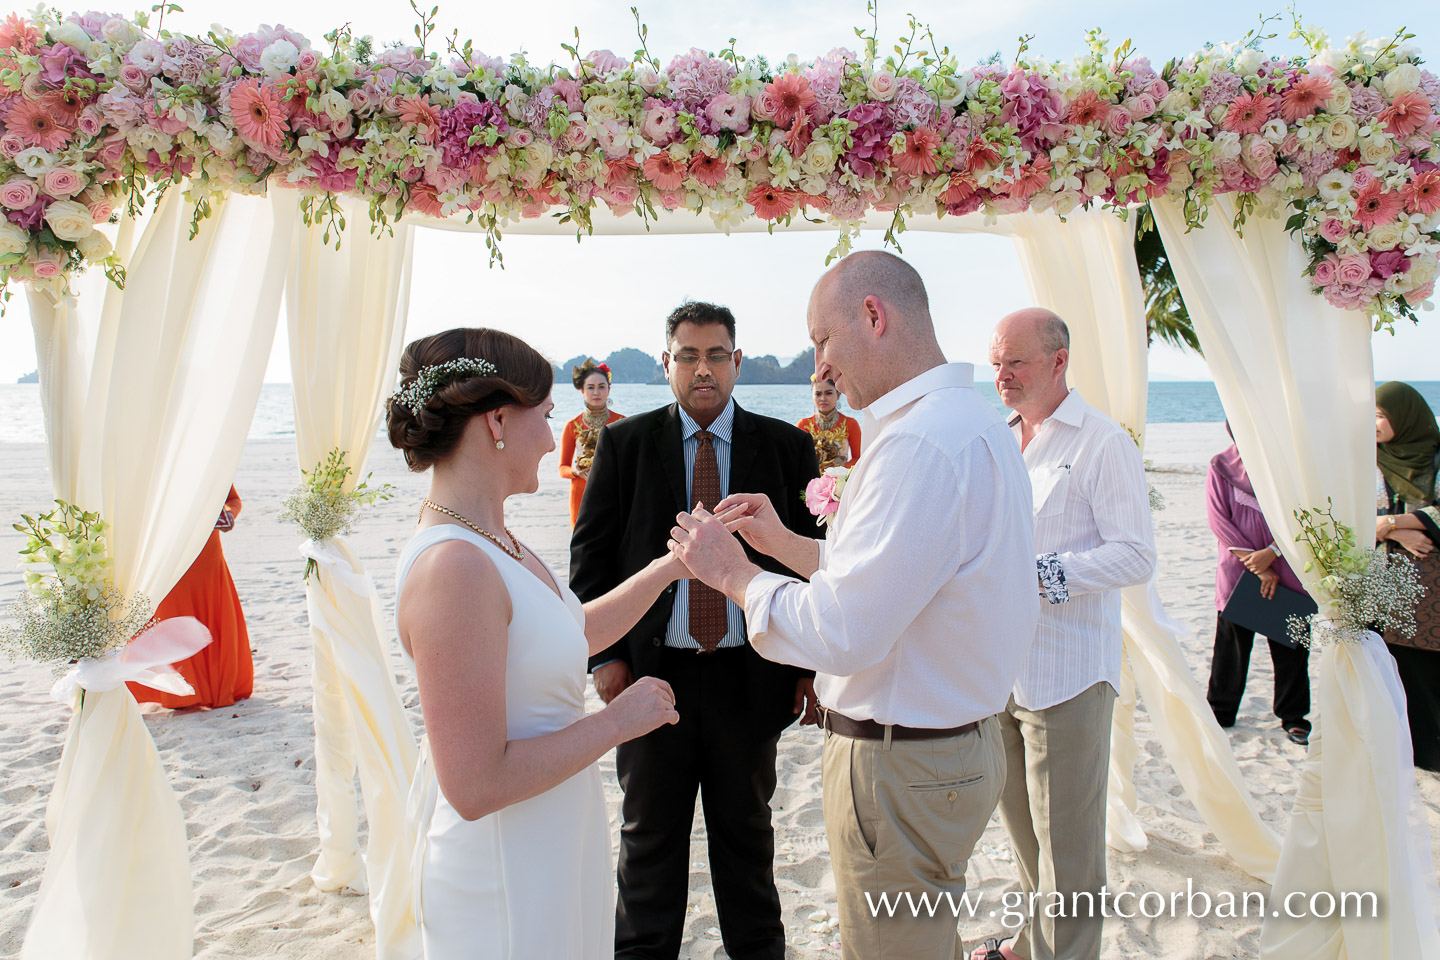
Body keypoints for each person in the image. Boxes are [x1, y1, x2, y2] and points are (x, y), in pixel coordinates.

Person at [668, 252, 1039, 960]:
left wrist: (738, 577)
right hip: (956, 747)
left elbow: (844, 632)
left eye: (822, 340)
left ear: (874, 316)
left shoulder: (919, 445)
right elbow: (900, 580)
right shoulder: (969, 421)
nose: (818, 367)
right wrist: (782, 544)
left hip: (903, 767)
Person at [387, 328, 684, 959]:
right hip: (503, 868)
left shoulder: (492, 538)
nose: (556, 439)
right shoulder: (454, 568)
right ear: (497, 421)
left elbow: (567, 634)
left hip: (549, 838)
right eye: (546, 416)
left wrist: (673, 566)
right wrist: (617, 723)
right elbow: (472, 784)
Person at [569, 301, 821, 960]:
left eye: (715, 355)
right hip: (651, 680)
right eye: (688, 355)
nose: (702, 369)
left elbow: (813, 563)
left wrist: (806, 669)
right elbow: (591, 561)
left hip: (752, 679)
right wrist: (605, 660)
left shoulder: (789, 448)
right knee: (647, 851)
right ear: (666, 364)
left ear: (737, 362)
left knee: (749, 853)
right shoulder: (625, 446)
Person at [986, 308, 1157, 960]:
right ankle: (1032, 947)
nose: (1001, 374)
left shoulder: (1102, 442)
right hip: (999, 672)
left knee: (1070, 860)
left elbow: (1136, 556)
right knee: (1026, 843)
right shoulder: (999, 438)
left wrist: (1037, 575)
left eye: (1016, 362)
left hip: (1069, 676)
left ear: (1059, 362)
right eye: (997, 362)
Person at [1205, 425, 1312, 745]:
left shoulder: (1292, 466)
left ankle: (1294, 715)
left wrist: (1273, 553)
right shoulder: (1220, 466)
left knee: (1291, 644)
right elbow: (1218, 519)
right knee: (1231, 644)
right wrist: (1255, 563)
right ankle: (1221, 712)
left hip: (1288, 564)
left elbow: (1304, 515)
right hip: (1239, 567)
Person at [128, 484, 253, 709]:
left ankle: (213, 688)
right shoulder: (156, 455)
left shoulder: (213, 456)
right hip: (167, 549)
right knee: (170, 612)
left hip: (207, 551)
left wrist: (228, 514)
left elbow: (233, 499)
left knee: (210, 616)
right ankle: (178, 691)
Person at [1374, 380, 1440, 772]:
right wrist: (1395, 528)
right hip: (1384, 583)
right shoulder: (1367, 460)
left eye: (1381, 416)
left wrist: (1389, 522)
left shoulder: (1434, 457)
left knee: (1430, 668)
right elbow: (1344, 514)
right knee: (1394, 666)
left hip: (1432, 587)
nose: (1374, 424)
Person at [560, 358, 625, 526]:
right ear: (582, 390)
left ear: (609, 390)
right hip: (581, 492)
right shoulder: (572, 426)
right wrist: (576, 472)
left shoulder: (622, 422)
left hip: (613, 491)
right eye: (590, 387)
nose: (596, 392)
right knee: (581, 545)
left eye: (601, 387)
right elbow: (562, 468)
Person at [796, 375, 861, 469]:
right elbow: (796, 459)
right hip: (810, 481)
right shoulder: (803, 425)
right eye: (818, 394)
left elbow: (858, 458)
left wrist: (840, 469)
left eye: (828, 393)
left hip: (839, 480)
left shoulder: (850, 424)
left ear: (838, 394)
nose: (823, 398)